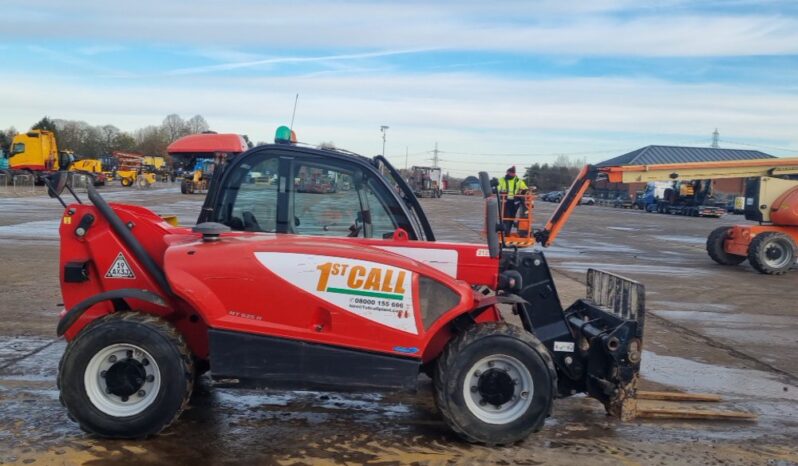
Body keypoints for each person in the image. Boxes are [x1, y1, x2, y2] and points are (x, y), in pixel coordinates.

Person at [497, 166, 528, 235]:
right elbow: (498, 188)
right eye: (510, 173)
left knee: (511, 216)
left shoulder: (518, 181)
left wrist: (523, 192)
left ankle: (507, 231)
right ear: (507, 172)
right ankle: (504, 231)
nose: (512, 174)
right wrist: (496, 190)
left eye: (513, 173)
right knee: (505, 216)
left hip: (514, 201)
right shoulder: (502, 180)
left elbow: (525, 188)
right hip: (504, 201)